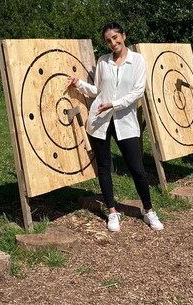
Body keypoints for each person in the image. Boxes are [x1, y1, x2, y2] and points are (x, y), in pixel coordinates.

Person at [67, 22, 163, 232]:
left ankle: (149, 211)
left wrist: (114, 104)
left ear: (124, 36)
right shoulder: (103, 61)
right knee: (104, 168)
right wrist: (79, 84)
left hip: (125, 123)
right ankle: (112, 212)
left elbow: (138, 91)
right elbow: (96, 90)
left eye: (115, 37)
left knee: (137, 169)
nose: (113, 42)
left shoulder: (137, 60)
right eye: (108, 40)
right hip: (100, 121)